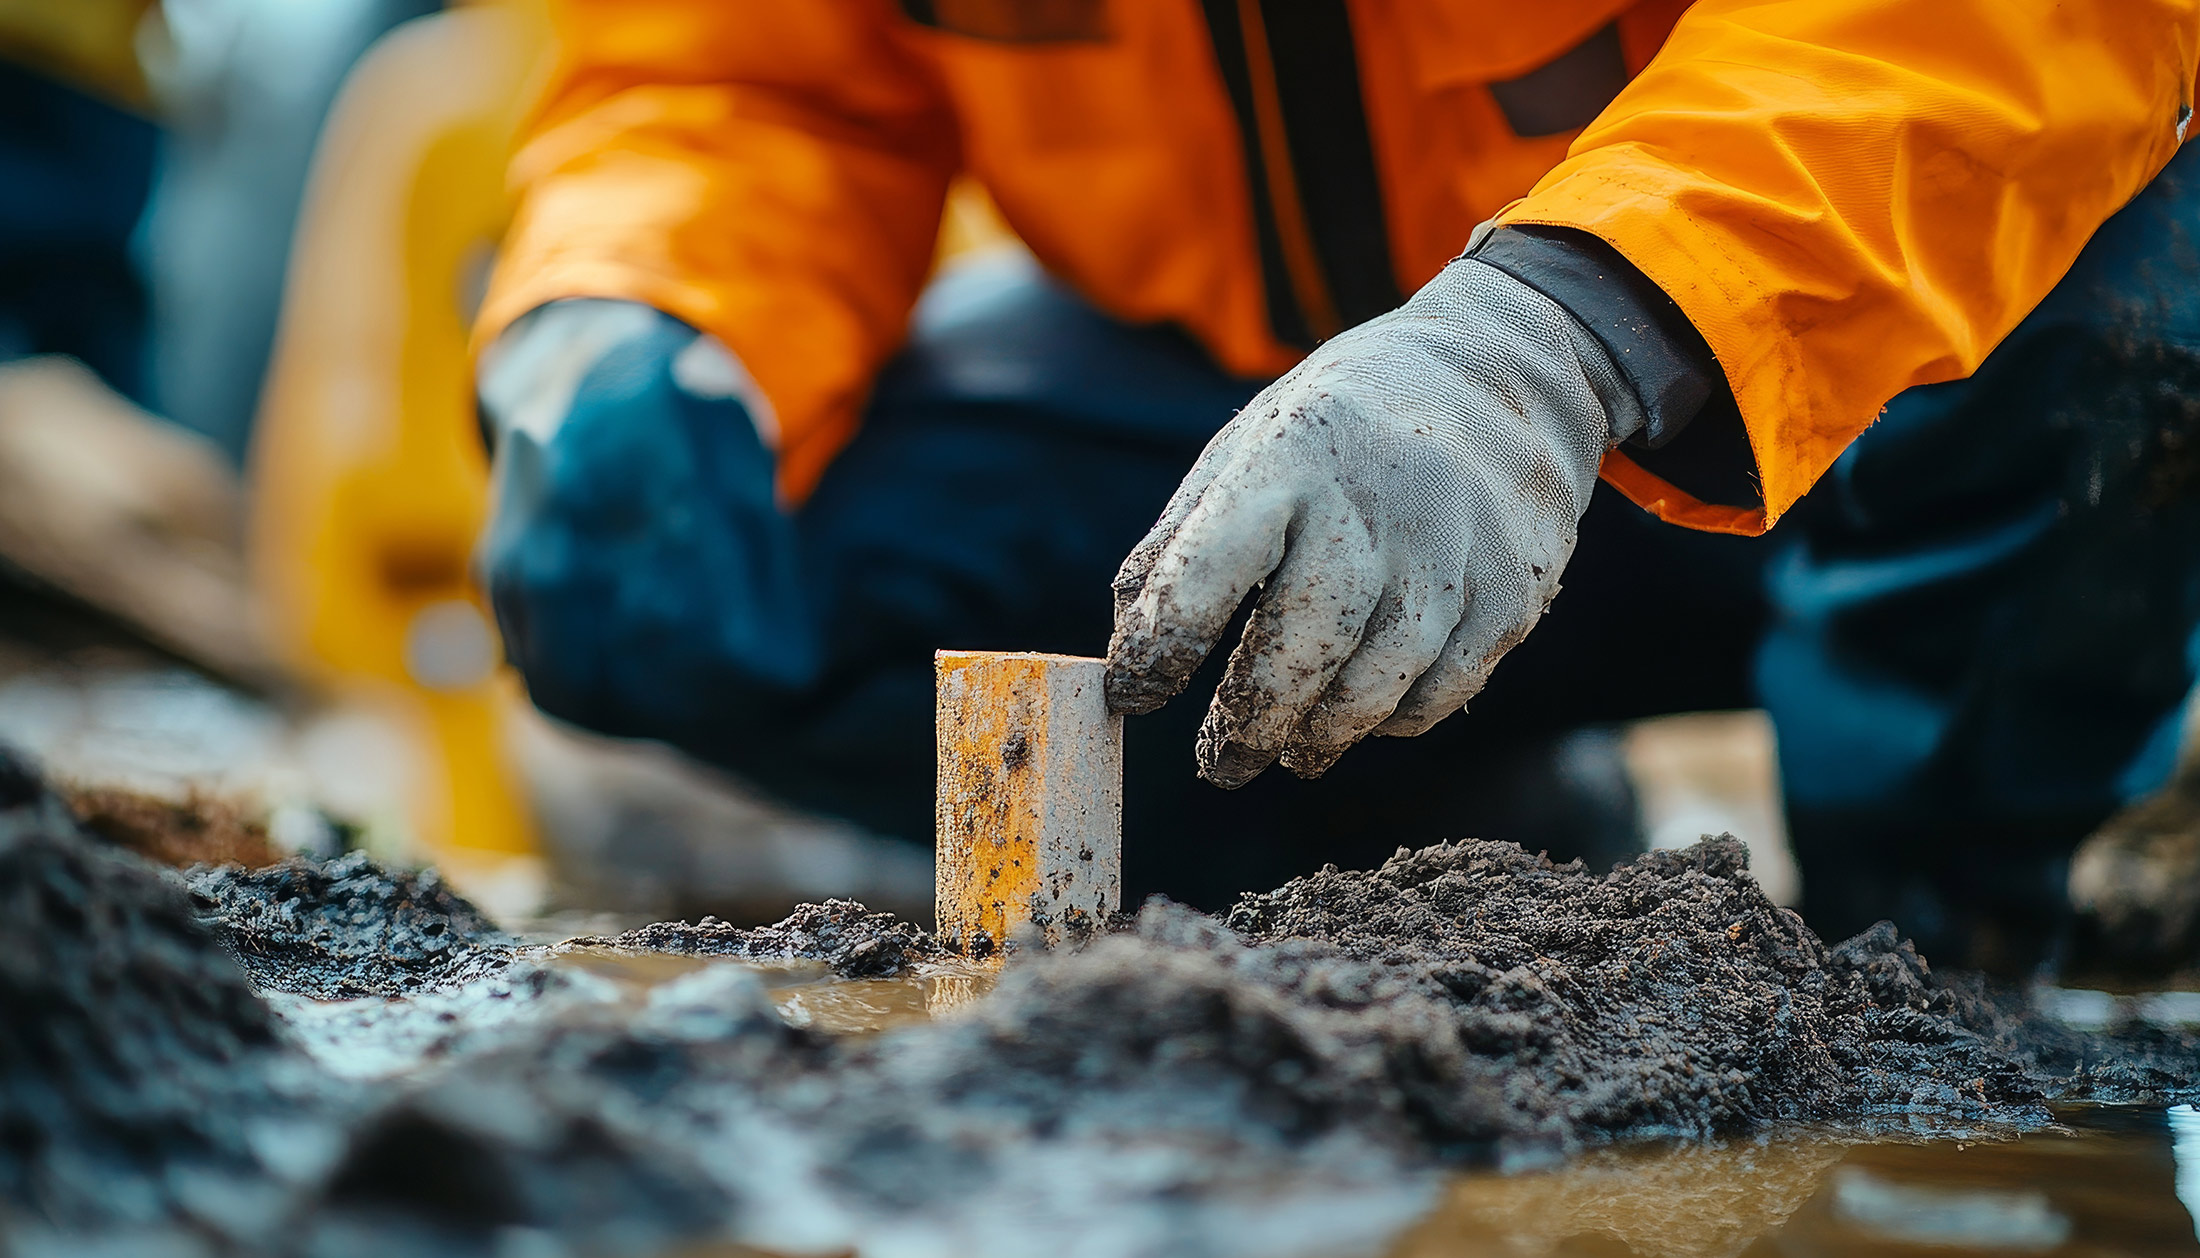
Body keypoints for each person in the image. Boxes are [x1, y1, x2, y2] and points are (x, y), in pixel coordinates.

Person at [471, 0, 2200, 972]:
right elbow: (744, 73)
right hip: (1253, 428)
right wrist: (645, 309)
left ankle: (1948, 951)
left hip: (1777, 381)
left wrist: (1576, 326)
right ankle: (1390, 840)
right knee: (742, 542)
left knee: (2133, 304)